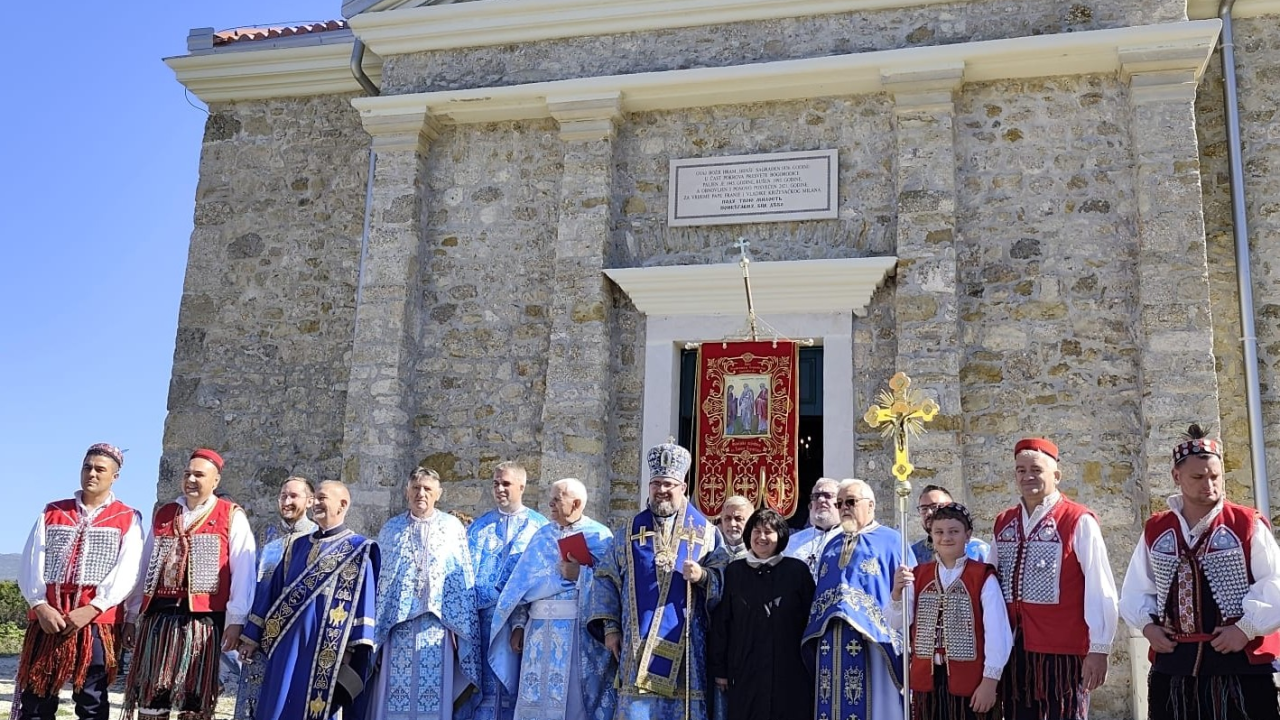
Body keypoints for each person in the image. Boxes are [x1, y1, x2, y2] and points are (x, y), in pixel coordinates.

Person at [1119, 425, 1280, 720]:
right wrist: (1148, 628)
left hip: (1239, 666)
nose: (1209, 484)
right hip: (1174, 667)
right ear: (1176, 476)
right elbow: (1137, 588)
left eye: (1215, 476)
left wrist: (1245, 628)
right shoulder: (1157, 529)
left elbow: (1275, 583)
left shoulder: (1246, 524)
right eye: (1198, 477)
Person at [123, 447, 258, 720]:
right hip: (159, 617)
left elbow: (243, 571)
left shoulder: (231, 515)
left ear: (215, 481)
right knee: (151, 692)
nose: (191, 480)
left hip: (203, 621)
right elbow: (145, 566)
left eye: (199, 475)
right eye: (187, 474)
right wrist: (132, 614)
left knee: (194, 696)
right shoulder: (165, 514)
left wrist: (236, 619)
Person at [588, 440, 718, 720]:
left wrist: (703, 576)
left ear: (683, 487)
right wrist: (611, 628)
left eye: (669, 484)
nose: (661, 490)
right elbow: (605, 578)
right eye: (656, 483)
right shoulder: (628, 533)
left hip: (686, 647)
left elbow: (723, 578)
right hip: (635, 647)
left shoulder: (706, 533)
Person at [13, 443, 144, 720]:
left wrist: (94, 607)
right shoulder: (52, 511)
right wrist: (40, 605)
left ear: (115, 477)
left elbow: (129, 570)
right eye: (87, 467)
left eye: (100, 469)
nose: (92, 474)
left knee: (92, 700)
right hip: (49, 619)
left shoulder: (127, 517)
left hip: (96, 622)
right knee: (36, 697)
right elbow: (31, 561)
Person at [991, 438, 1118, 720]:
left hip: (1063, 654)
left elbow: (1099, 585)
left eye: (1036, 469)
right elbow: (990, 583)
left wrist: (1100, 648)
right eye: (1021, 470)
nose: (1027, 476)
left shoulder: (1077, 520)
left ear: (1056, 475)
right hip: (1013, 650)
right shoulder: (1003, 522)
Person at [238, 480, 381, 720]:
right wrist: (251, 636)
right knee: (276, 707)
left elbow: (363, 609)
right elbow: (272, 593)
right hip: (285, 646)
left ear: (343, 505)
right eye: (315, 498)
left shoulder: (358, 551)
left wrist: (350, 652)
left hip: (326, 651)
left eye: (323, 498)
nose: (316, 503)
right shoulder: (297, 546)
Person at [489, 478, 616, 720]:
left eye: (557, 499)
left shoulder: (600, 536)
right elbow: (522, 587)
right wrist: (518, 625)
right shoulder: (542, 536)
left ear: (575, 504)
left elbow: (610, 587)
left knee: (572, 703)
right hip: (537, 634)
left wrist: (580, 575)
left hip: (577, 633)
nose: (550, 504)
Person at [370, 466, 481, 720]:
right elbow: (382, 584)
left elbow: (461, 579)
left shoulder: (451, 528)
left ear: (438, 494)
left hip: (438, 627)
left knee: (433, 698)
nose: (421, 493)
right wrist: (379, 632)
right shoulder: (391, 529)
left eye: (428, 489)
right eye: (416, 488)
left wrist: (460, 630)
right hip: (397, 628)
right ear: (407, 492)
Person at [802, 478, 913, 720]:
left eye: (850, 502)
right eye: (839, 503)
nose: (844, 508)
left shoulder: (892, 541)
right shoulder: (831, 545)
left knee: (878, 706)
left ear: (871, 505)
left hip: (874, 643)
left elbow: (909, 594)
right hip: (831, 641)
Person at [891, 503, 1012, 720]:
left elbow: (998, 634)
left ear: (968, 535)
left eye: (953, 531)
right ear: (931, 535)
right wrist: (897, 593)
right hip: (927, 684)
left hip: (970, 683)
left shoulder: (982, 577)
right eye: (939, 532)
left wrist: (990, 681)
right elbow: (895, 622)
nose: (946, 537)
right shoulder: (917, 576)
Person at [709, 507, 815, 720]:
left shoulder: (797, 571)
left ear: (780, 536)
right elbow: (723, 622)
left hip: (789, 668)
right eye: (757, 531)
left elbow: (811, 618)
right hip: (745, 668)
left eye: (768, 532)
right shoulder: (735, 571)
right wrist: (720, 669)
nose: (762, 537)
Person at [468, 462, 549, 720]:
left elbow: (543, 580)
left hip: (521, 623)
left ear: (522, 486)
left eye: (506, 483)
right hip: (483, 622)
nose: (499, 489)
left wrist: (520, 622)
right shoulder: (479, 528)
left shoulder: (539, 528)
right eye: (496, 483)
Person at [233, 476, 319, 720]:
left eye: (294, 496)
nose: (287, 501)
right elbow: (255, 585)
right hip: (259, 636)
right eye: (283, 496)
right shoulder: (266, 535)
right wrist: (248, 633)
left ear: (310, 501)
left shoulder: (317, 538)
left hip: (298, 635)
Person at [700, 495, 753, 720]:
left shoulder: (757, 557)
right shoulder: (709, 554)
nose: (732, 524)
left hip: (748, 645)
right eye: (727, 518)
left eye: (739, 518)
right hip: (713, 642)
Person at [912, 484, 990, 563]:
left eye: (935, 506)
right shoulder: (913, 554)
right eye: (924, 508)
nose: (928, 513)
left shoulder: (980, 551)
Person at [783, 478, 842, 579]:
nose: (820, 500)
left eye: (827, 495)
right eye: (816, 496)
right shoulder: (792, 542)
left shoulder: (852, 540)